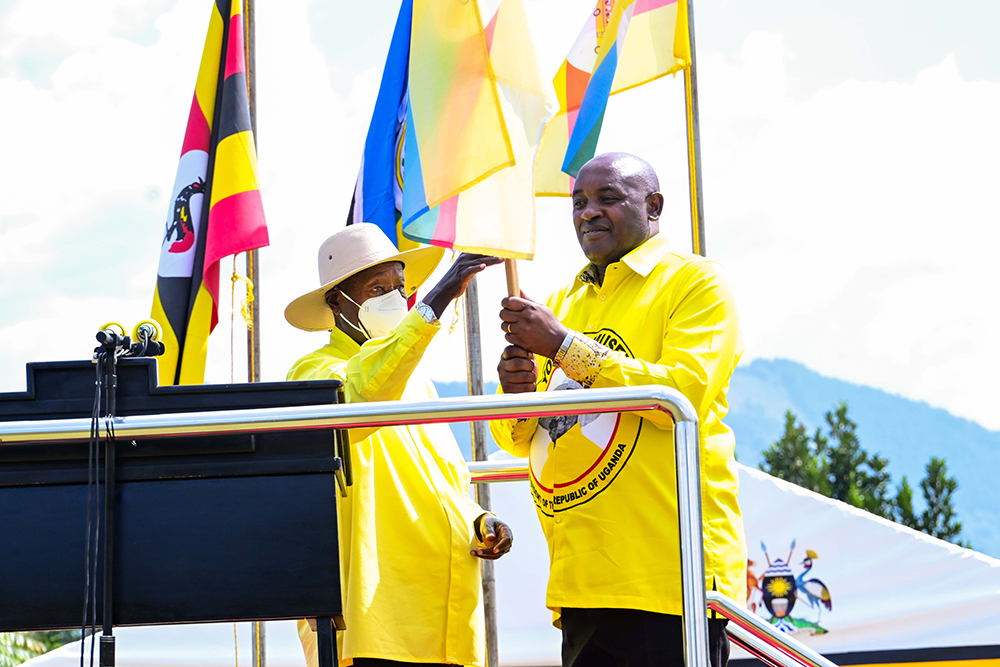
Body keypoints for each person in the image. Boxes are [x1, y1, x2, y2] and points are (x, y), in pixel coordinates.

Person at [489, 153, 746, 667]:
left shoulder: (697, 283)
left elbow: (683, 394)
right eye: (578, 203)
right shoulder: (562, 301)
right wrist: (515, 396)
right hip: (579, 581)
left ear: (653, 206)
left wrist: (562, 345)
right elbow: (515, 439)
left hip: (669, 578)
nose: (588, 213)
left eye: (608, 198)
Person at [285, 223, 513, 667]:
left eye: (401, 288)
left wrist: (477, 518)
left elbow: (444, 478)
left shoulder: (418, 385)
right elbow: (363, 392)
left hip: (439, 611)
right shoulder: (315, 373)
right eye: (378, 288)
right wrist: (434, 302)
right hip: (373, 618)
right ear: (339, 302)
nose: (395, 297)